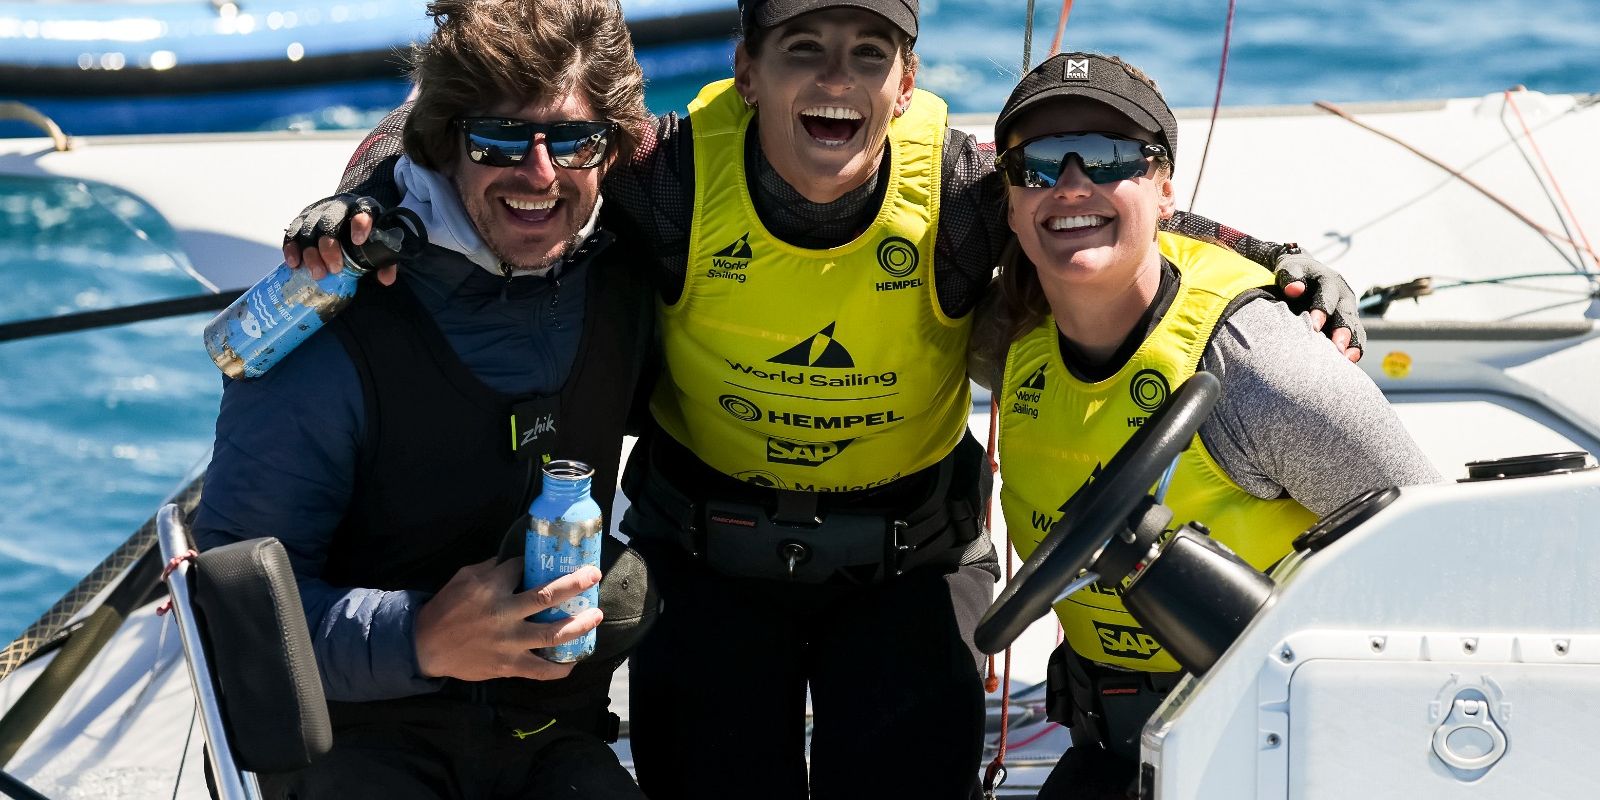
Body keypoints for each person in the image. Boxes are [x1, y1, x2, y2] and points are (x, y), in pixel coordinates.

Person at [281, 3, 1368, 797]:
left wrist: (1287, 267)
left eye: (868, 53)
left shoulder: (959, 184)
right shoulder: (667, 174)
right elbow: (459, 129)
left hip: (903, 577)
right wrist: (361, 193)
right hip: (705, 570)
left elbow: (1103, 193)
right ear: (747, 68)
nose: (834, 79)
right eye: (802, 47)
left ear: (905, 81)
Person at [192, 1, 659, 797]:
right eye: (498, 139)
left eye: (573, 141)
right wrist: (419, 639)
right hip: (358, 744)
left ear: (610, 151)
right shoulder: (330, 322)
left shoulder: (627, 280)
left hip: (549, 738)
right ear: (447, 143)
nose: (539, 174)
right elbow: (234, 619)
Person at [972, 52, 1442, 799]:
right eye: (1035, 168)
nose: (1069, 185)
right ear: (1010, 203)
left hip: (1277, 755)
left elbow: (1441, 556)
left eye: (1107, 158)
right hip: (1112, 749)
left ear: (1164, 189)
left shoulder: (1264, 366)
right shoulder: (1005, 343)